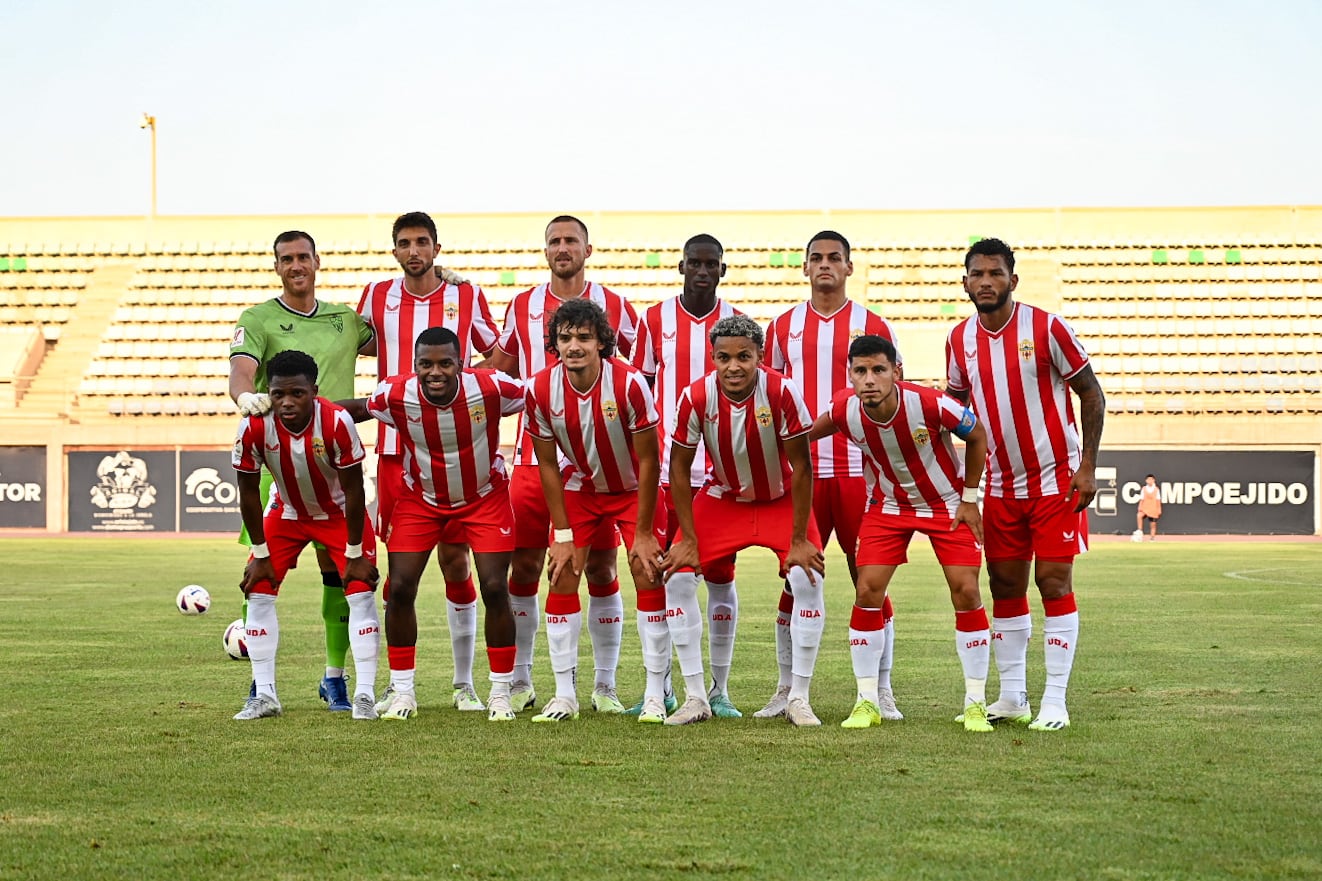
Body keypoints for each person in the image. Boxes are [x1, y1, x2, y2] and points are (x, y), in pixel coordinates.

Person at [945, 237, 1105, 732]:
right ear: (965, 282)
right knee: (1005, 585)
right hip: (999, 485)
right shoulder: (958, 340)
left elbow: (1091, 395)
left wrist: (1088, 467)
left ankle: (1055, 700)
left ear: (1012, 280)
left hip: (1056, 479)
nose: (986, 281)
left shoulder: (1048, 327)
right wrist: (964, 487)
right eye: (978, 273)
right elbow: (956, 413)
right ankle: (1013, 696)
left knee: (1053, 582)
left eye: (996, 273)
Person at [487, 215, 639, 713]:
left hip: (597, 466)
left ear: (587, 249)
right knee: (528, 567)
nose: (562, 247)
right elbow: (499, 369)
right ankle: (522, 680)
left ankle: (605, 685)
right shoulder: (521, 305)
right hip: (534, 460)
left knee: (600, 565)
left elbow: (639, 370)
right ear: (545, 250)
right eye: (554, 241)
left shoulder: (615, 305)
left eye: (571, 240)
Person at [808, 335, 994, 731]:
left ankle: (976, 703)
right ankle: (867, 701)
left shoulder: (930, 403)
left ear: (897, 372)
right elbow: (802, 435)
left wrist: (969, 498)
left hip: (946, 503)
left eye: (879, 370)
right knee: (867, 590)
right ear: (849, 375)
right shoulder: (843, 409)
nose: (869, 379)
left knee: (966, 590)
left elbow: (977, 434)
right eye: (860, 371)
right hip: (888, 506)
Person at [356, 211, 501, 713]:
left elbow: (498, 353)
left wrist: (465, 397)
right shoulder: (376, 297)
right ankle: (397, 686)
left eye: (422, 242)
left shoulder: (467, 294)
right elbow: (355, 344)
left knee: (456, 560)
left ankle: (464, 684)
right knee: (400, 571)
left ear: (437, 248)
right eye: (405, 243)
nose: (413, 251)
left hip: (453, 448)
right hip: (395, 450)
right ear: (394, 250)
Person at [340, 326, 524, 722]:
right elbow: (355, 409)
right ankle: (403, 690)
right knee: (400, 587)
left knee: (495, 587)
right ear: (415, 365)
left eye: (445, 364)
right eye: (425, 364)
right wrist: (301, 406)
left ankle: (500, 692)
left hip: (484, 498)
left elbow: (540, 396)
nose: (435, 372)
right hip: (421, 499)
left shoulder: (491, 387)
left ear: (462, 364)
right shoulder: (396, 393)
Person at [760, 230, 905, 721]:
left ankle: (882, 689)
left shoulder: (874, 324)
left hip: (859, 474)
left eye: (834, 258)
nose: (825, 265)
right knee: (795, 580)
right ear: (805, 267)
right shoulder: (782, 327)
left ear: (848, 267)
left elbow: (893, 395)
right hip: (801, 474)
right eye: (817, 258)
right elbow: (768, 394)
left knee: (870, 579)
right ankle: (786, 689)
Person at [228, 230, 375, 712]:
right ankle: (260, 685)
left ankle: (335, 677)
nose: (296, 265)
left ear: (317, 261)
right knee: (260, 569)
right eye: (286, 258)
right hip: (280, 467)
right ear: (277, 266)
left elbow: (402, 332)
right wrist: (246, 397)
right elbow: (241, 372)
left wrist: (442, 285)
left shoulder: (345, 319)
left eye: (303, 257)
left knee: (341, 575)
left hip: (335, 459)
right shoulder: (257, 318)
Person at [662, 314, 826, 727]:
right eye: (724, 358)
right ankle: (696, 697)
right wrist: (688, 539)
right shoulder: (695, 396)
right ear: (713, 358)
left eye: (743, 357)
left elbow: (802, 467)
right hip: (725, 498)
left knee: (807, 577)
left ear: (760, 356)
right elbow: (678, 468)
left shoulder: (782, 391)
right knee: (677, 577)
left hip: (781, 498)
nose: (733, 366)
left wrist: (799, 539)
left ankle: (798, 697)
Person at [522, 299, 670, 723]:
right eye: (565, 337)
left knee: (647, 571)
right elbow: (547, 464)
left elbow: (649, 460)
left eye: (584, 337)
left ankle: (654, 694)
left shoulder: (629, 384)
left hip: (633, 488)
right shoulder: (540, 389)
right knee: (562, 573)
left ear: (601, 342)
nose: (574, 346)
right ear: (555, 343)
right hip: (582, 488)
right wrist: (562, 535)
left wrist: (644, 532)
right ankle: (564, 695)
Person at [627, 233, 743, 717]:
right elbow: (640, 389)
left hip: (718, 477)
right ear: (681, 267)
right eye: (694, 263)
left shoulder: (737, 323)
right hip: (664, 474)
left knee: (719, 577)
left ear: (722, 270)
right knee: (657, 576)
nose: (702, 271)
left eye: (710, 264)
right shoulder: (655, 320)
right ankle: (660, 689)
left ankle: (719, 690)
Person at [1137, 474, 1162, 541]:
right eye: (1148, 479)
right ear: (1146, 480)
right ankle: (1140, 532)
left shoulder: (1156, 489)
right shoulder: (1144, 489)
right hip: (1145, 508)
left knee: (1153, 525)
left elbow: (1158, 500)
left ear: (1154, 480)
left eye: (1151, 479)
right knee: (1139, 515)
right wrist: (1140, 507)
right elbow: (1141, 499)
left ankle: (1152, 538)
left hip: (1153, 509)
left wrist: (1159, 509)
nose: (1150, 481)